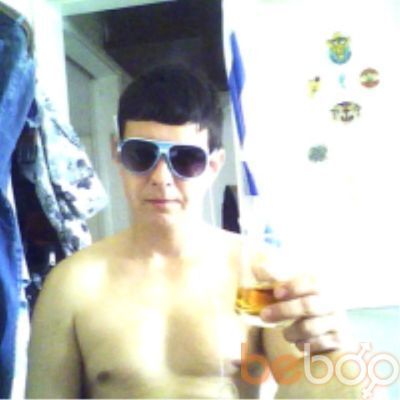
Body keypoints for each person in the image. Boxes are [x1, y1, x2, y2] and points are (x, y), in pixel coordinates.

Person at [26, 64, 361, 399]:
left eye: (186, 159)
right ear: (118, 154)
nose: (161, 178)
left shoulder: (255, 275)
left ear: (213, 166)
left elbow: (309, 386)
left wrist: (339, 354)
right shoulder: (74, 284)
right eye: (141, 155)